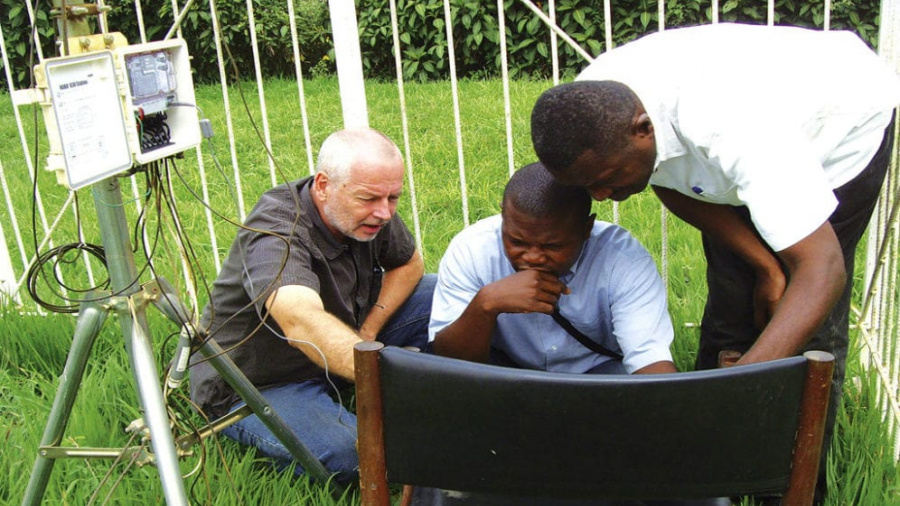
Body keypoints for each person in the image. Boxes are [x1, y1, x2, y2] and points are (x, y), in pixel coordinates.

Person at [530, 23, 900, 501]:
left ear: (643, 130)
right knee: (736, 293)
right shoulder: (595, 114)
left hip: (838, 130)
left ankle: (795, 483)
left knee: (811, 323)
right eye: (588, 188)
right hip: (735, 147)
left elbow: (823, 268)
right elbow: (666, 178)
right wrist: (764, 266)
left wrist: (742, 384)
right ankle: (710, 472)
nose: (601, 196)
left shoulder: (729, 123)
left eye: (606, 179)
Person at [189, 128, 435, 483]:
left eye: (393, 198)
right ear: (323, 185)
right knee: (360, 456)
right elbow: (300, 320)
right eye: (369, 199)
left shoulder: (369, 202)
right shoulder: (276, 231)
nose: (383, 213)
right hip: (261, 382)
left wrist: (367, 334)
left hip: (342, 339)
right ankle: (279, 443)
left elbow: (409, 264)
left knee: (445, 294)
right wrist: (398, 378)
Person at [430, 161, 676, 375]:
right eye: (517, 241)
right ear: (504, 217)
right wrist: (485, 305)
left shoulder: (623, 260)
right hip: (504, 371)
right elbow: (450, 366)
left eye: (553, 246)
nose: (533, 257)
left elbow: (648, 359)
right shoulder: (472, 249)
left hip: (598, 376)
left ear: (587, 228)